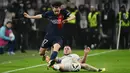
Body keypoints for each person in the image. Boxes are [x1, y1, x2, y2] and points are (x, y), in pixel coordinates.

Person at [24, 1, 75, 67]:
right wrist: (29, 16)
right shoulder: (49, 13)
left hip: (58, 36)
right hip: (49, 36)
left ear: (60, 8)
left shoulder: (64, 12)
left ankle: (51, 61)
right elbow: (39, 16)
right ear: (52, 8)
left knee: (56, 48)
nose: (57, 10)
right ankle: (45, 55)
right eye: (55, 8)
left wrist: (67, 20)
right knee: (41, 53)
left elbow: (73, 16)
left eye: (58, 8)